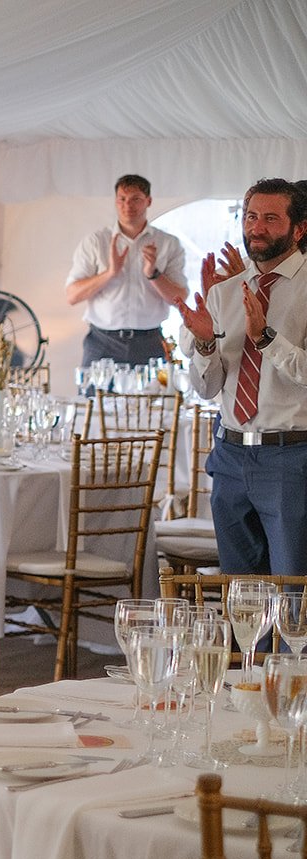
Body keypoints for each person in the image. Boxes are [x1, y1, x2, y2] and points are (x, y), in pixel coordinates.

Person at [177, 177, 307, 576]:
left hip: (290, 457)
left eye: (270, 218)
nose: (257, 228)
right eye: (251, 217)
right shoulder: (224, 293)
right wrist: (203, 345)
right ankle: (248, 644)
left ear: (299, 228)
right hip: (230, 456)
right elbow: (206, 387)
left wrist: (265, 338)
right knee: (241, 594)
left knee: (291, 592)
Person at [65, 174, 189, 366]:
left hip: (150, 341)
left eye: (135, 199)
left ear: (148, 201)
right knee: (92, 397)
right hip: (102, 342)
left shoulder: (168, 244)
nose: (127, 206)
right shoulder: (95, 242)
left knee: (155, 397)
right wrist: (110, 273)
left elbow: (180, 299)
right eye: (122, 199)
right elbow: (72, 296)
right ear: (115, 201)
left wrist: (153, 274)